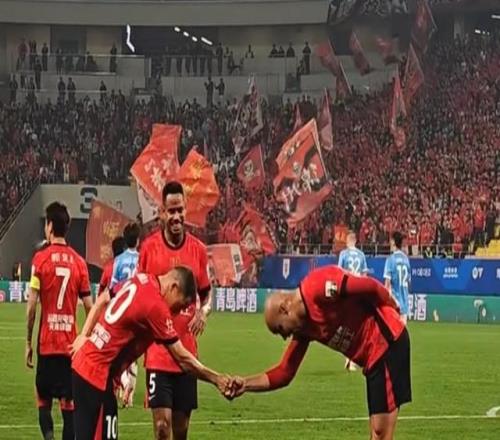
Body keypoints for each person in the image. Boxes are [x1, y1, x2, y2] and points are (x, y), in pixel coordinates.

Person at [226, 265, 411, 440]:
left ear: (284, 309)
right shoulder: (304, 329)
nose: (284, 337)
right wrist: (245, 384)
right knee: (378, 433)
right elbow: (284, 373)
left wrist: (392, 306)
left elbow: (368, 285)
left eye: (280, 329)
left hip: (387, 341)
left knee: (380, 432)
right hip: (374, 356)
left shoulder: (317, 286)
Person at [71, 268, 228, 440]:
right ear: (174, 287)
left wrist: (84, 335)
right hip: (96, 377)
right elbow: (182, 358)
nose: (176, 313)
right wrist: (217, 379)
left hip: (94, 373)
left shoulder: (141, 280)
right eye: (180, 305)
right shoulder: (156, 306)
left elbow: (104, 298)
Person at [138, 181, 213, 440]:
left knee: (181, 431)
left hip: (187, 355)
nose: (177, 216)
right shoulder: (149, 249)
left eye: (180, 210)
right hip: (157, 353)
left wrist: (203, 312)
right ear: (161, 212)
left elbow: (207, 292)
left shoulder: (198, 250)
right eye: (171, 211)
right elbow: (140, 292)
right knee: (162, 428)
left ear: (185, 209)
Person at [26, 202, 93, 440]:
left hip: (47, 345)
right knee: (69, 404)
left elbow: (32, 306)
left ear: (49, 226)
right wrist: (85, 338)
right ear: (67, 226)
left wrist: (28, 343)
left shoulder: (40, 260)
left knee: (42, 399)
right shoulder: (79, 263)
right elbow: (90, 308)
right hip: (70, 348)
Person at [338, 230, 368, 371]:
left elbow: (339, 273)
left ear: (348, 240)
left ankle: (348, 357)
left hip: (347, 291)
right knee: (358, 326)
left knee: (347, 325)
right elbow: (365, 275)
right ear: (355, 241)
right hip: (358, 291)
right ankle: (353, 359)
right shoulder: (361, 255)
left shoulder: (343, 254)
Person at [384, 231, 411, 324]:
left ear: (393, 242)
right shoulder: (406, 259)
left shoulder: (390, 259)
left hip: (394, 303)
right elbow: (409, 282)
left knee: (392, 331)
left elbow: (387, 284)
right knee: (403, 331)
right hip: (404, 304)